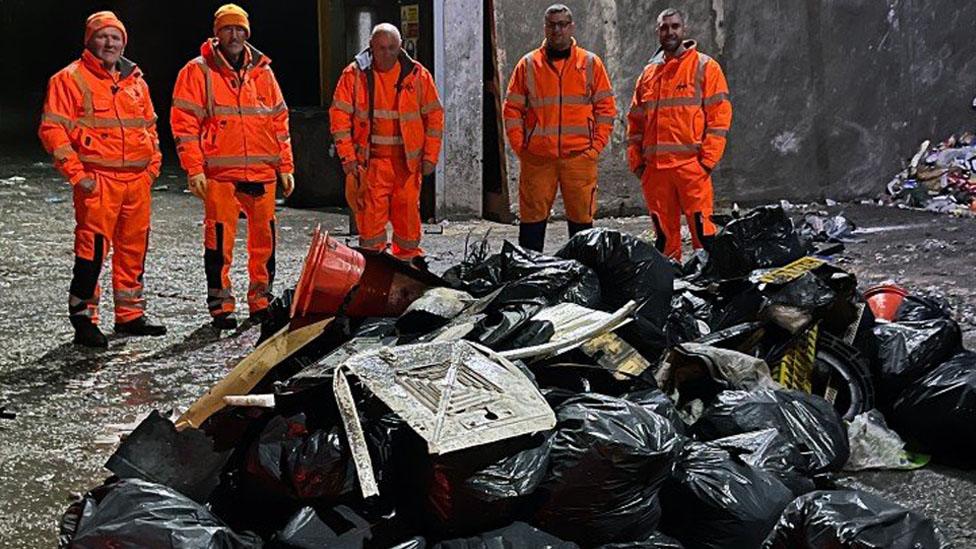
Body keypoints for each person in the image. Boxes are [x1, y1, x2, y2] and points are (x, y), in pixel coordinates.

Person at [38, 11, 166, 347]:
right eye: (103, 36)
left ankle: (130, 315)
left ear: (124, 42)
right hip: (98, 181)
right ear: (89, 40)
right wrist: (78, 176)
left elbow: (150, 127)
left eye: (116, 37)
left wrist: (153, 165)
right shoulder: (69, 79)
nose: (110, 43)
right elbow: (53, 130)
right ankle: (84, 318)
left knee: (133, 249)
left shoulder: (136, 82)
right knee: (91, 251)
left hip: (136, 182)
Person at [171, 4, 295, 330]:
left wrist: (285, 165)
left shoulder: (264, 73)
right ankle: (221, 306)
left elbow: (279, 122)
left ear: (247, 33)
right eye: (228, 28)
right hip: (220, 174)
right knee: (219, 243)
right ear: (217, 32)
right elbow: (184, 125)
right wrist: (194, 168)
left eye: (240, 29)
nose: (234, 35)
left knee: (264, 243)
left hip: (262, 173)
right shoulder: (197, 72)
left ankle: (261, 302)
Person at [502, 3, 617, 252]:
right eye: (552, 25)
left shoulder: (590, 64)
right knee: (532, 223)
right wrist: (521, 148)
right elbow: (511, 109)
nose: (557, 30)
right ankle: (532, 275)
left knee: (582, 225)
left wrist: (595, 148)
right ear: (545, 28)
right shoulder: (528, 64)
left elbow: (606, 109)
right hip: (538, 158)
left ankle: (584, 276)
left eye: (563, 24)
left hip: (579, 158)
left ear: (571, 27)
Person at [329, 23, 444, 261]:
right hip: (371, 166)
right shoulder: (354, 75)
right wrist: (348, 159)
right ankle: (375, 273)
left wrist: (431, 156)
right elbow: (339, 119)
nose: (387, 53)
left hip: (407, 165)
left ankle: (408, 270)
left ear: (400, 47)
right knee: (370, 228)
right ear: (371, 47)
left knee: (408, 225)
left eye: (392, 48)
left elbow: (434, 117)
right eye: (381, 48)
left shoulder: (417, 74)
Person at [627, 8, 732, 262]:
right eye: (664, 27)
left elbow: (719, 118)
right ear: (657, 32)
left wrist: (706, 161)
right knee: (664, 239)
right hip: (656, 172)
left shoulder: (705, 67)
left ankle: (705, 283)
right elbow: (635, 123)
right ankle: (672, 285)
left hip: (690, 168)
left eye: (674, 26)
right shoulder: (648, 75)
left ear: (684, 30)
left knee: (703, 234)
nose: (670, 32)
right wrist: (638, 164)